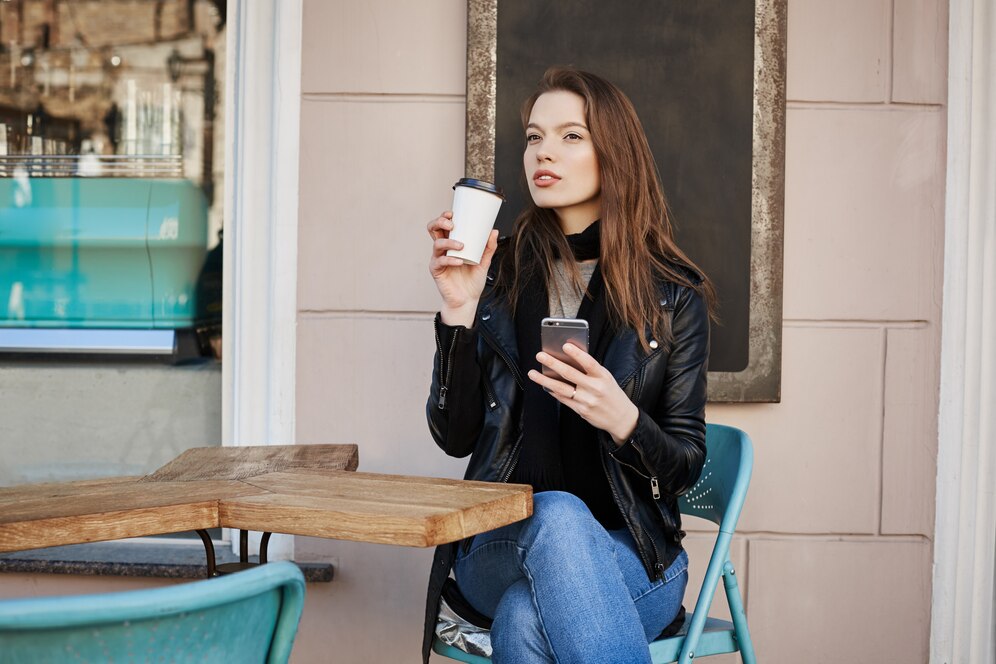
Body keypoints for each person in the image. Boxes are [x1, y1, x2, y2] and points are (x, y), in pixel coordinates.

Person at [423, 67, 715, 664]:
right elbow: (453, 438)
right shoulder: (497, 274)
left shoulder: (672, 294)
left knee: (526, 620)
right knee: (555, 513)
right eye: (534, 137)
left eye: (570, 136)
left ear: (615, 154)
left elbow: (685, 463)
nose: (543, 153)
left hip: (632, 555)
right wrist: (459, 310)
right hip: (498, 547)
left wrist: (624, 419)